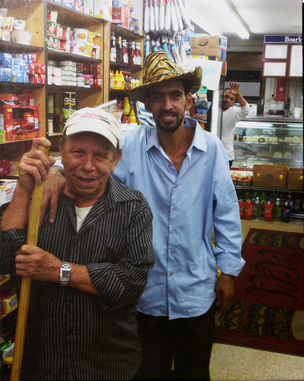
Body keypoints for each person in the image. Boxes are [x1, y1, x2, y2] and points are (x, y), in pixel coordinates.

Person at [40, 51, 245, 380]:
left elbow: (227, 214)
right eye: (157, 97)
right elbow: (87, 153)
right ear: (147, 104)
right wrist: (56, 170)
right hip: (142, 297)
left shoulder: (212, 150)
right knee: (148, 372)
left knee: (195, 372)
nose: (167, 105)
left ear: (188, 100)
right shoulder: (130, 144)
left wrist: (229, 272)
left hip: (196, 291)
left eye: (175, 95)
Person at [0, 108, 154, 380]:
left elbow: (130, 283)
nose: (87, 165)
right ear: (62, 150)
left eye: (100, 155)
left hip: (108, 366)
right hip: (43, 364)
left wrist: (59, 270)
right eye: (78, 152)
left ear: (115, 159)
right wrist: (24, 189)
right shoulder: (38, 199)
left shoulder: (133, 208)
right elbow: (4, 257)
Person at [221, 81, 250, 168]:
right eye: (226, 97)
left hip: (226, 155)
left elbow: (246, 110)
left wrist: (238, 95)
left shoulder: (233, 112)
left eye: (231, 99)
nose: (228, 100)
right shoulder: (213, 108)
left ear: (234, 102)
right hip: (210, 153)